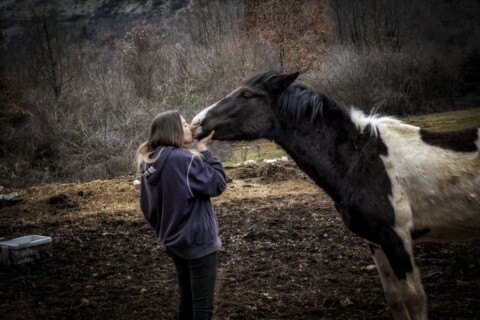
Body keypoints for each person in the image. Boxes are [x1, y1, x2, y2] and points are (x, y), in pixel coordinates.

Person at [136, 110, 227, 320]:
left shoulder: (149, 161)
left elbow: (146, 207)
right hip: (198, 244)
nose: (190, 127)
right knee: (202, 310)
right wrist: (204, 150)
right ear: (174, 130)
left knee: (186, 304)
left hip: (174, 244)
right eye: (185, 124)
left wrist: (165, 230)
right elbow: (218, 183)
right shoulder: (183, 160)